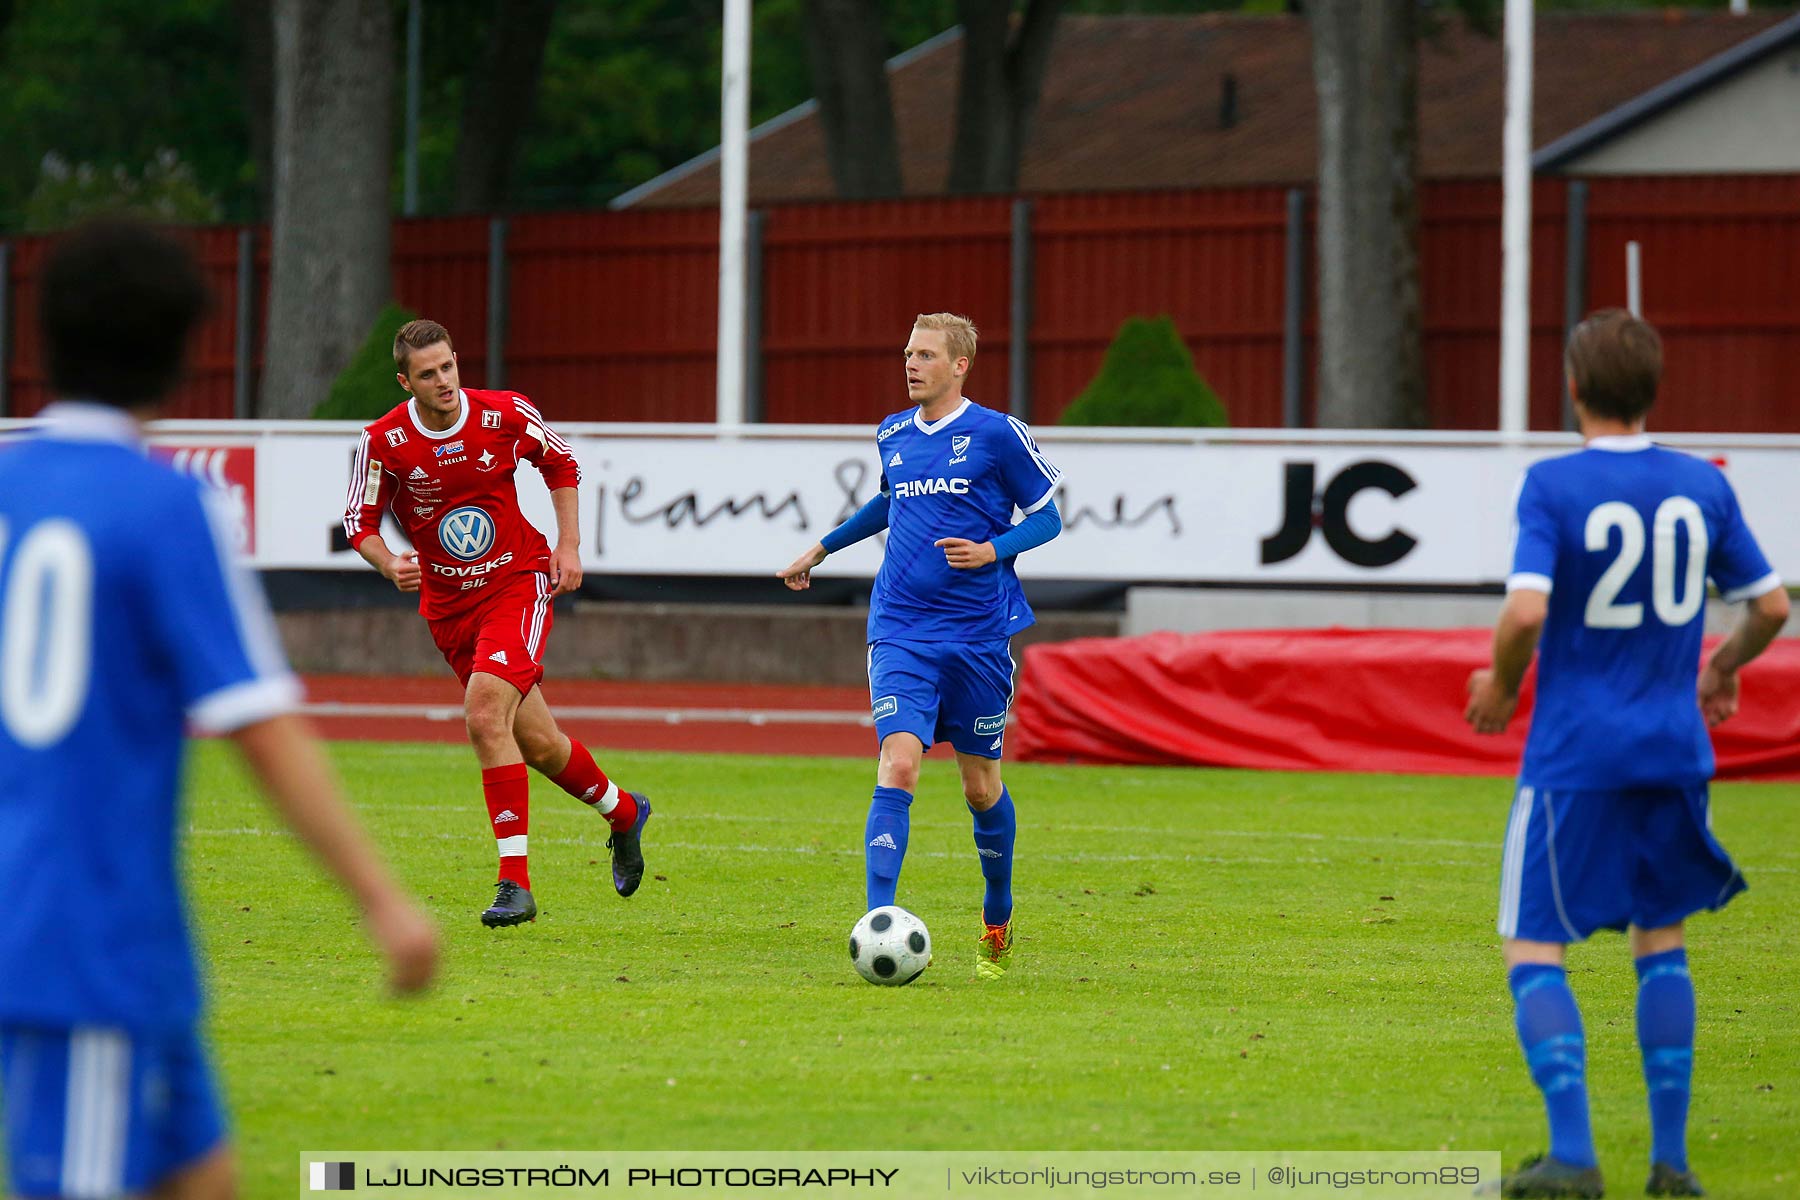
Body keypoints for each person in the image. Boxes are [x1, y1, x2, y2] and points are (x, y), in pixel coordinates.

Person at [0, 217, 439, 1200]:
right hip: (83, 943)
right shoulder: (162, 508)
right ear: (186, 353)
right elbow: (262, 724)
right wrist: (384, 902)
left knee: (206, 1178)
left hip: (124, 948)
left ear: (42, 338)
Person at [1465, 309, 1789, 1199]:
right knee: (1663, 942)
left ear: (1573, 387)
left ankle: (1572, 1156)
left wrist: (1499, 686)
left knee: (1533, 943)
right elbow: (1768, 606)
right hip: (1675, 751)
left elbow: (1527, 611)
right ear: (1653, 390)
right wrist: (1721, 669)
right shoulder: (1702, 486)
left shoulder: (1553, 487)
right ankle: (1672, 1164)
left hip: (1577, 754)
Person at [777, 313, 1064, 980]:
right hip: (901, 629)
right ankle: (880, 922)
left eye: (927, 354)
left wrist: (994, 549)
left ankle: (998, 913)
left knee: (980, 786)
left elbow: (1048, 515)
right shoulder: (893, 433)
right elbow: (890, 504)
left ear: (959, 365)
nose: (912, 364)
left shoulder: (997, 433)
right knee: (898, 763)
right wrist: (821, 548)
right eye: (908, 352)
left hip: (978, 636)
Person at [343, 319, 651, 928]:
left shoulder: (504, 413)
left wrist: (569, 546)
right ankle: (623, 812)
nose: (444, 382)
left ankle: (515, 883)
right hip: (448, 609)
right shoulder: (383, 442)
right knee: (537, 743)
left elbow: (561, 464)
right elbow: (359, 520)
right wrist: (388, 565)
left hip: (518, 581)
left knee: (485, 714)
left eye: (449, 367)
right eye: (427, 374)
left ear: (458, 361)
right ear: (406, 381)